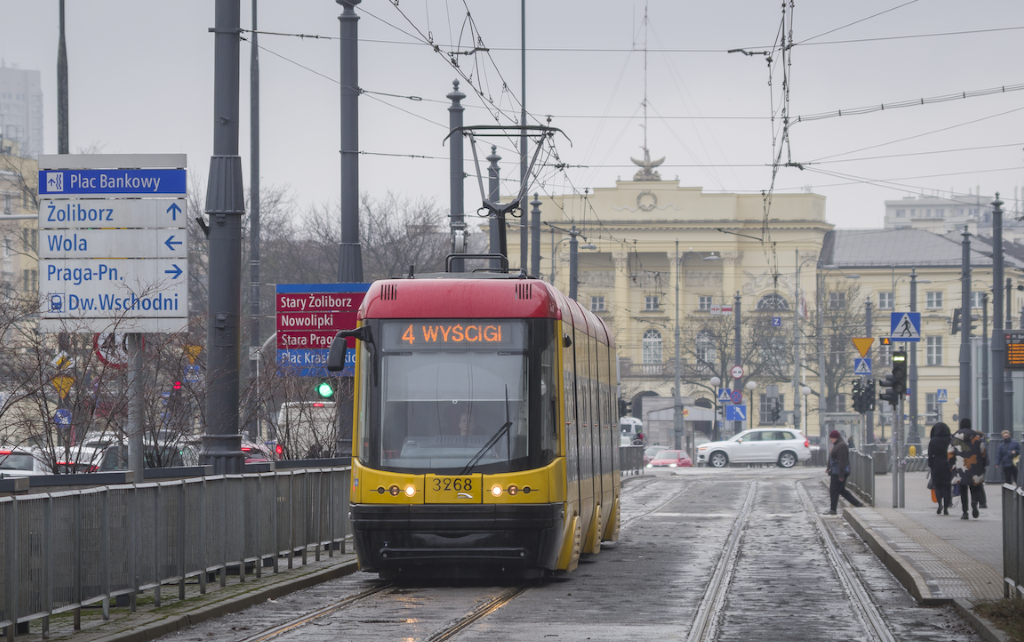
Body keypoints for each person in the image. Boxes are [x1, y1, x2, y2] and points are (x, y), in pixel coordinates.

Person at [949, 418, 987, 520]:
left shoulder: (954, 438)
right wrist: (983, 465)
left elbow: (950, 453)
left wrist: (951, 466)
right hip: (975, 466)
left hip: (960, 468)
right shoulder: (977, 438)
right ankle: (974, 503)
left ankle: (965, 512)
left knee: (963, 490)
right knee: (974, 487)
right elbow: (983, 452)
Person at [824, 430, 864, 515]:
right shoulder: (838, 445)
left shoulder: (841, 446)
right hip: (836, 471)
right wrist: (828, 468)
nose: (830, 440)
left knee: (834, 490)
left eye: (831, 438)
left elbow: (842, 461)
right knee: (841, 490)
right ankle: (857, 503)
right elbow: (833, 459)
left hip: (838, 472)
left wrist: (841, 475)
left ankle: (833, 510)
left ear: (835, 438)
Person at [927, 422, 953, 515]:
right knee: (947, 487)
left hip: (936, 465)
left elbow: (930, 455)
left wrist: (930, 465)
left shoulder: (933, 441)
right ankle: (946, 508)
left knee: (937, 486)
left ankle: (939, 505)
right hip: (947, 465)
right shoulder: (950, 440)